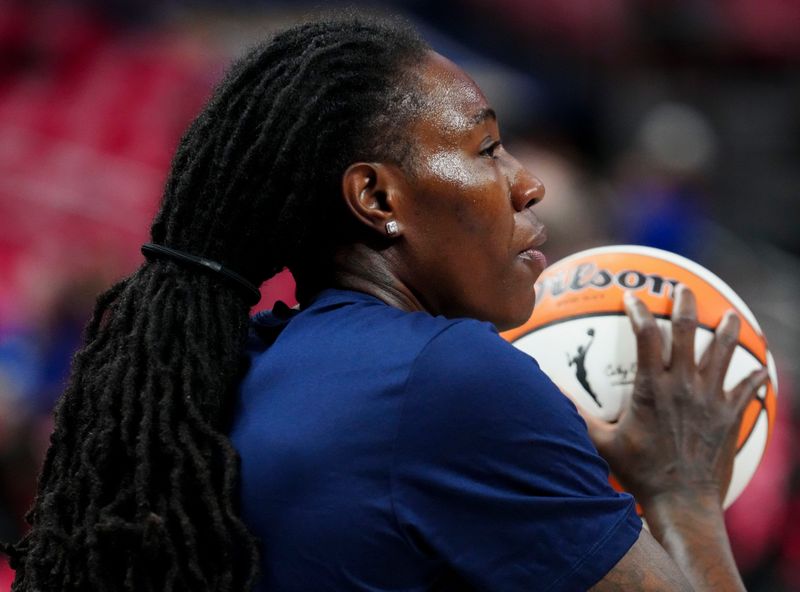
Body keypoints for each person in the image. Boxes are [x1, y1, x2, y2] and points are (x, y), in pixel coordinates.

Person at [2, 15, 768, 592]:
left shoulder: (234, 367)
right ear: (376, 197)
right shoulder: (448, 381)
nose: (527, 183)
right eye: (486, 149)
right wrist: (682, 490)